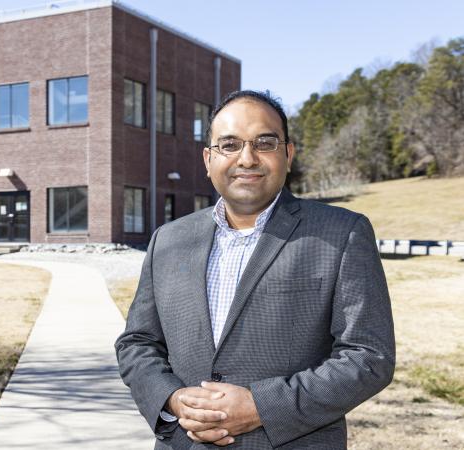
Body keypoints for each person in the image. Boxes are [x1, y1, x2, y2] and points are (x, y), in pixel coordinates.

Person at [115, 90, 395, 449]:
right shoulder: (167, 240)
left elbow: (369, 357)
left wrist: (262, 406)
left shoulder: (342, 233)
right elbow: (137, 342)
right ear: (208, 158)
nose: (247, 158)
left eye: (264, 142)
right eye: (229, 145)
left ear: (288, 153)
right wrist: (171, 399)